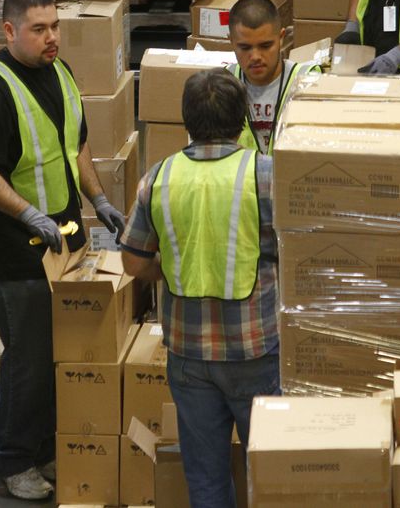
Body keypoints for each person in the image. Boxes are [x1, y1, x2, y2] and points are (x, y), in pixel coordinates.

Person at [0, 0, 126, 501]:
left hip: (64, 242)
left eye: (55, 26)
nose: (51, 37)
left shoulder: (61, 72)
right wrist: (28, 214)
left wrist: (98, 199)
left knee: (58, 354)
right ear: (10, 30)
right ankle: (10, 461)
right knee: (28, 361)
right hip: (14, 252)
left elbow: (76, 145)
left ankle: (43, 447)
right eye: (39, 29)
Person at [121, 69, 279, 508]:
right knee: (268, 471)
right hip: (254, 348)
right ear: (242, 119)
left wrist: (171, 270)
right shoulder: (265, 174)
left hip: (188, 353)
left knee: (206, 478)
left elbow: (133, 261)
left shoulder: (159, 177)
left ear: (186, 121)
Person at [225, 0, 320, 154]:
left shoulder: (308, 81)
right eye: (245, 48)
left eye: (265, 46)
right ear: (231, 42)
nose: (255, 56)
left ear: (281, 38)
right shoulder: (223, 85)